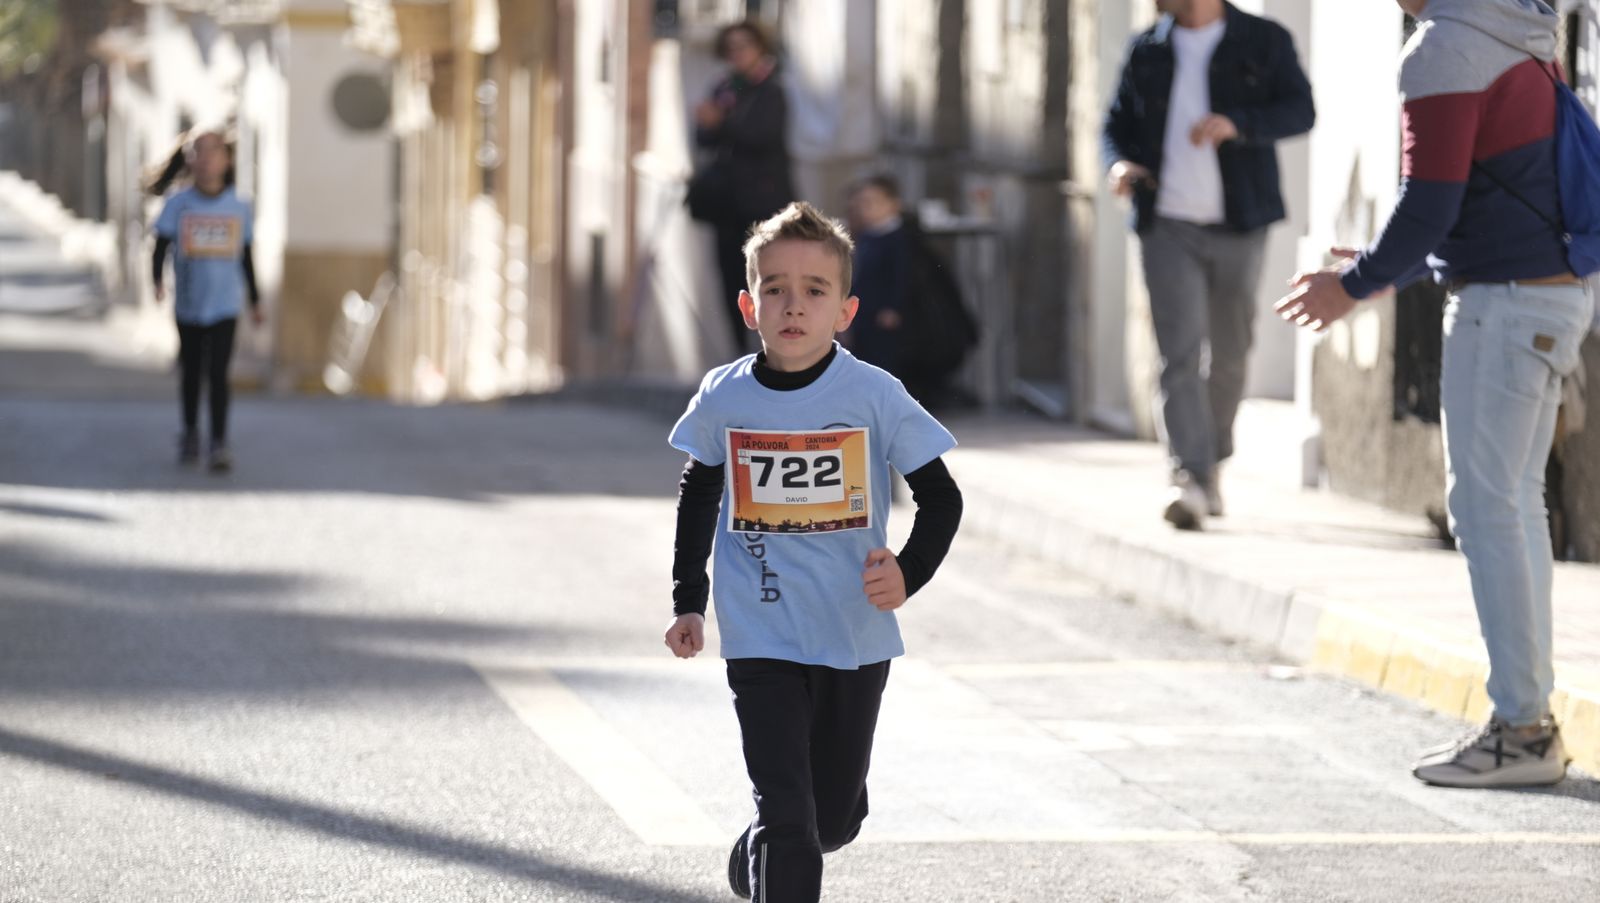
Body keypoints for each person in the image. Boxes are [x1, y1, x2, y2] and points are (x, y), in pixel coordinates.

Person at [1275, 0, 1592, 788]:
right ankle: (1527, 720)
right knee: (1512, 508)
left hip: (1504, 306)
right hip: (1546, 296)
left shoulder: (1443, 49)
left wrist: (1352, 285)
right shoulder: (1513, 33)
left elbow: (1431, 203)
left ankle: (1522, 728)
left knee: (1490, 511)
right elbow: (1483, 199)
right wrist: (1385, 266)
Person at [664, 202, 963, 902]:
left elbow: (943, 498)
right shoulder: (726, 395)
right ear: (748, 304)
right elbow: (699, 490)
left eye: (814, 291)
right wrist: (688, 598)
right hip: (760, 631)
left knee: (830, 818)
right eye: (775, 288)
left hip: (853, 632)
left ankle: (759, 851)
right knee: (788, 812)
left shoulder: (873, 394)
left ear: (845, 310)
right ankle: (774, 841)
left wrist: (907, 571)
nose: (793, 305)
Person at [1102, 0, 1315, 530]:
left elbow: (1300, 110)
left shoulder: (1264, 40)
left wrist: (1236, 124)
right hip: (1165, 222)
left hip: (1241, 221)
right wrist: (1119, 163)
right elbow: (1114, 123)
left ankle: (1210, 460)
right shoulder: (1148, 46)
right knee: (1177, 354)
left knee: (1232, 351)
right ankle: (1189, 475)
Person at [148, 128, 263, 472]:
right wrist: (156, 281)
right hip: (188, 303)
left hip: (226, 303)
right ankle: (190, 433)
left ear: (227, 160)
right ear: (190, 159)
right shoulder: (177, 204)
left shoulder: (238, 207)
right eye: (200, 151)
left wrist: (256, 300)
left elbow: (246, 255)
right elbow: (160, 247)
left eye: (215, 151)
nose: (208, 158)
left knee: (218, 373)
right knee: (192, 372)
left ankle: (219, 442)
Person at [689, 20, 796, 355]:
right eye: (731, 48)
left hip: (762, 203)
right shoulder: (724, 88)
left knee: (767, 278)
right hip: (727, 206)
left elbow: (762, 137)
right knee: (731, 280)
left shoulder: (771, 90)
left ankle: (772, 349)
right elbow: (704, 137)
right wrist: (709, 123)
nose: (737, 55)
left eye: (744, 47)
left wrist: (721, 122)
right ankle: (740, 351)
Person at [844, 174, 978, 410]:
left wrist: (893, 307)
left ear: (893, 204)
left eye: (874, 202)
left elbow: (902, 278)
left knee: (885, 363)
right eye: (862, 203)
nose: (867, 209)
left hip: (886, 317)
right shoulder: (866, 236)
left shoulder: (900, 240)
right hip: (865, 312)